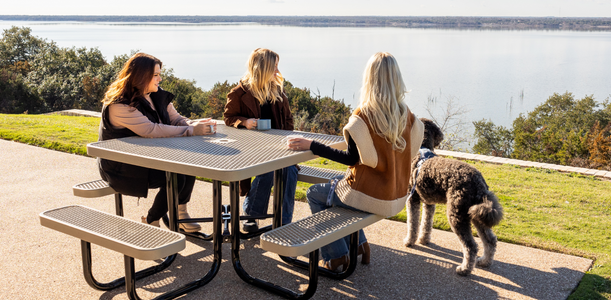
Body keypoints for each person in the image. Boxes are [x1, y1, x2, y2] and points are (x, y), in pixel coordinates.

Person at [288, 52, 424, 271]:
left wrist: (311, 145)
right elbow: (413, 147)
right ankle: (360, 245)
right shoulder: (405, 114)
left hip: (367, 196)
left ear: (370, 78)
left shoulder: (364, 115)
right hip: (395, 196)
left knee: (315, 194)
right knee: (335, 187)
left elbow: (350, 159)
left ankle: (337, 255)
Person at [97, 52, 216, 232]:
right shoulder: (119, 105)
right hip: (122, 167)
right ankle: (151, 220)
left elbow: (176, 119)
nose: (160, 79)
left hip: (147, 159)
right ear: (141, 76)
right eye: (155, 75)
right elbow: (151, 130)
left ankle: (180, 215)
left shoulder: (155, 94)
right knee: (176, 176)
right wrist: (191, 131)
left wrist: (195, 124)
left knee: (188, 166)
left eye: (159, 74)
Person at [223, 48, 298, 232]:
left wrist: (286, 140)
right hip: (250, 149)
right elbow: (228, 117)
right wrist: (245, 122)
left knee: (289, 169)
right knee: (268, 169)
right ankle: (251, 214)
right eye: (274, 67)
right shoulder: (239, 93)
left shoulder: (278, 91)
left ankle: (283, 221)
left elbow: (288, 121)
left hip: (277, 148)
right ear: (263, 68)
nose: (277, 71)